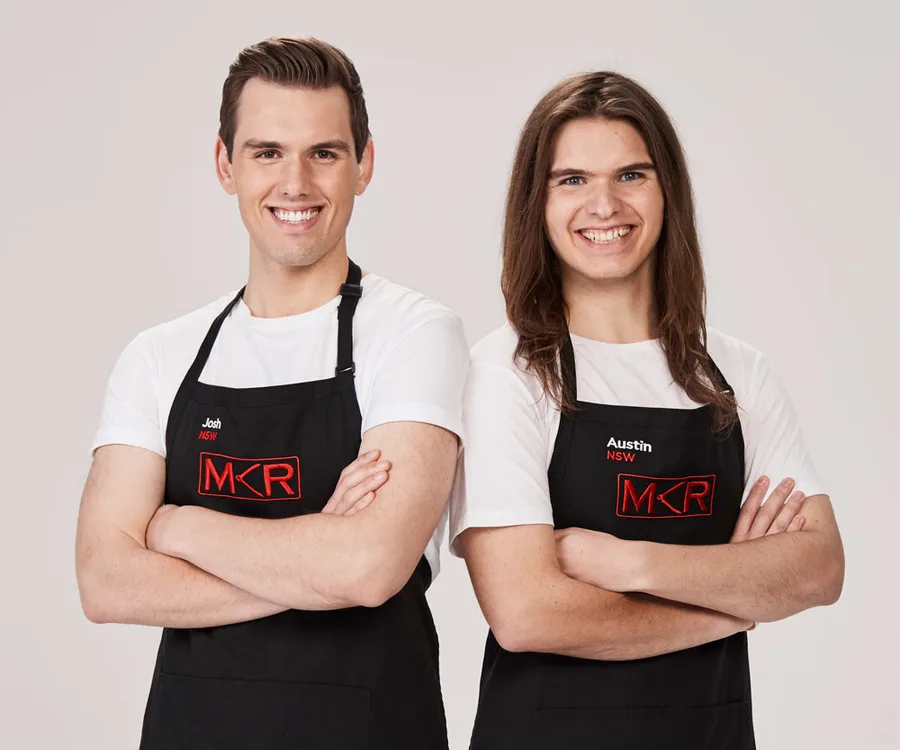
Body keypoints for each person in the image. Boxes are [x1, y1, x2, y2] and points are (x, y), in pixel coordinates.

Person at [75, 36, 467, 750]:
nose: (296, 183)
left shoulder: (413, 332)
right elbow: (106, 582)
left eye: (324, 152)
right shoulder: (160, 356)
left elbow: (373, 566)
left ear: (364, 164)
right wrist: (318, 560)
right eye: (266, 152)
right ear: (225, 164)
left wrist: (178, 528)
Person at [450, 72, 844, 749]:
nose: (603, 203)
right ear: (536, 205)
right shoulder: (508, 372)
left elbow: (819, 568)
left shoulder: (735, 374)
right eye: (570, 179)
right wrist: (733, 603)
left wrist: (630, 564)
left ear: (667, 191)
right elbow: (528, 614)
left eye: (631, 173)